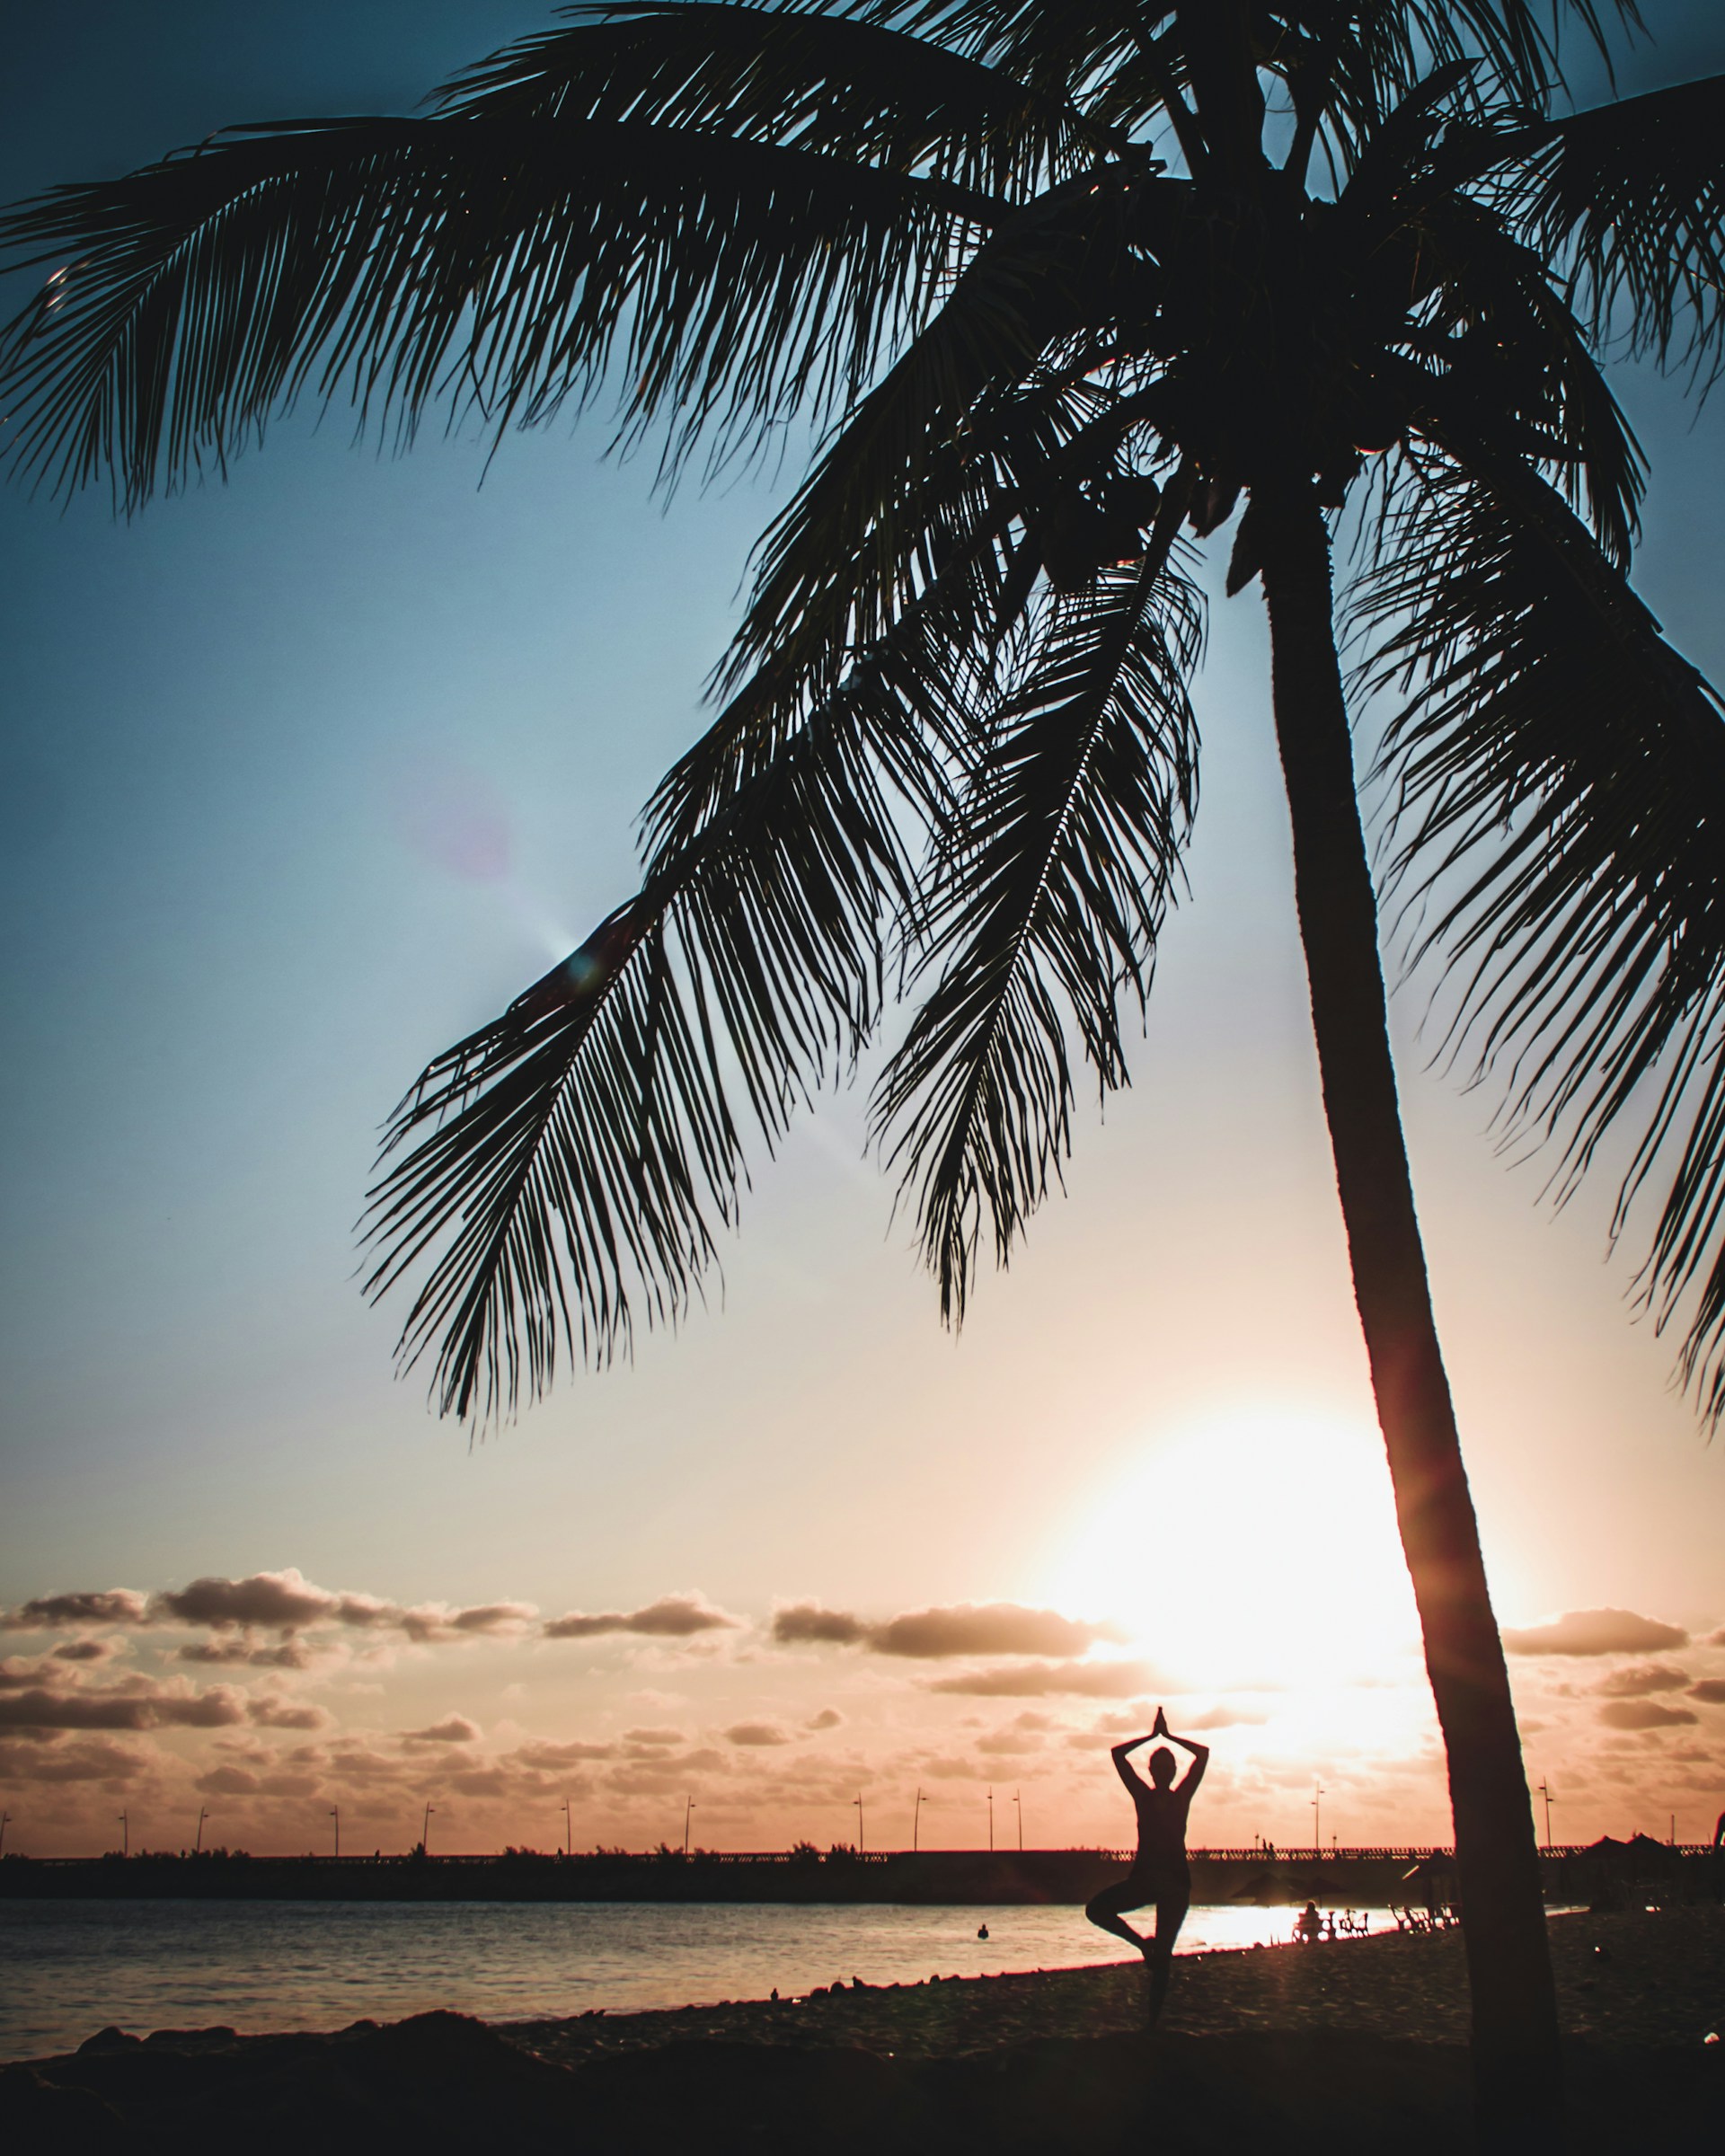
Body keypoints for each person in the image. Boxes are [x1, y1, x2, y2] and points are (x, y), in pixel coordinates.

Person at [1084, 1706, 1208, 2022]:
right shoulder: (1143, 1796)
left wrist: (1167, 1736)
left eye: (1167, 1766)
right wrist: (1153, 1737)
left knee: (1164, 1955)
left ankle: (1152, 2022)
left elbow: (1203, 1755)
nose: (1162, 1771)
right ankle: (1143, 1945)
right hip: (1148, 1879)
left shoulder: (1182, 1797)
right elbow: (1117, 1756)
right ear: (1152, 1771)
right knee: (1096, 1909)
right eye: (1158, 1765)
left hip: (1175, 1883)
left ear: (1172, 1771)